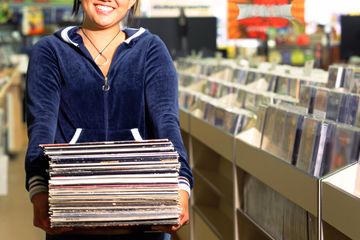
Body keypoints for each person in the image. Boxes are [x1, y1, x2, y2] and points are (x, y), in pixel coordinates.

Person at [25, 0, 193, 239]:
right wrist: (38, 188)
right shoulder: (51, 51)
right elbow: (41, 124)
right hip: (72, 214)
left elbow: (167, 120)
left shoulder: (151, 49)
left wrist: (182, 183)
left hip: (144, 215)